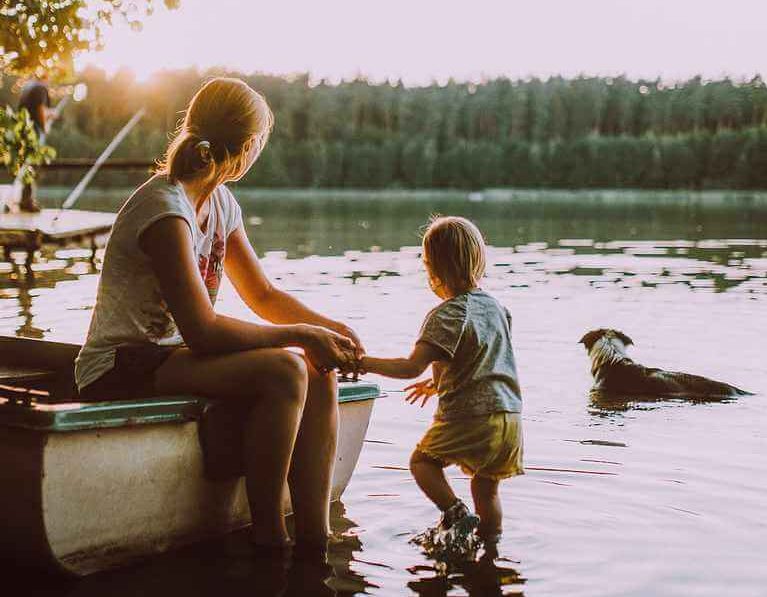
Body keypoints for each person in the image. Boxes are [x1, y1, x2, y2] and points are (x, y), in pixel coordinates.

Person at [74, 77, 363, 560]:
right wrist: (301, 335)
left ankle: (317, 538)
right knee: (287, 367)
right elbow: (204, 331)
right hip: (120, 365)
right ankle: (271, 538)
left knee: (318, 368)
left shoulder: (221, 204)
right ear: (248, 147)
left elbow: (263, 294)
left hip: (172, 359)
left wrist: (328, 330)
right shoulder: (166, 209)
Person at [357, 216, 523, 547]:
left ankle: (455, 512)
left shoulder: (445, 315)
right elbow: (482, 361)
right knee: (485, 488)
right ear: (479, 259)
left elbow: (409, 367)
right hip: (510, 420)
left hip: (471, 417)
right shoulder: (497, 309)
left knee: (422, 462)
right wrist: (437, 385)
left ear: (433, 269)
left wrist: (362, 363)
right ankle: (490, 549)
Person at [17, 75, 54, 212]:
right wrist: (44, 128)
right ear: (46, 77)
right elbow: (40, 109)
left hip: (23, 129)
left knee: (26, 165)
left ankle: (24, 199)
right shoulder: (41, 88)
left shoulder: (28, 87)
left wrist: (50, 114)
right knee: (32, 165)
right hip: (35, 131)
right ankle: (27, 201)